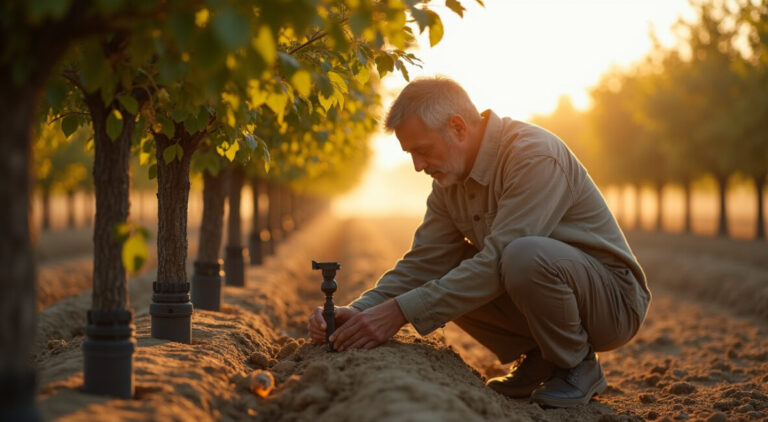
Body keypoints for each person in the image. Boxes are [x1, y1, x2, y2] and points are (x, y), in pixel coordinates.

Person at [307, 76, 650, 408]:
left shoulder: (533, 157)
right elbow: (424, 263)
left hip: (612, 304)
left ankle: (576, 364)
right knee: (451, 270)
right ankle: (541, 358)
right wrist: (358, 311)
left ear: (458, 128)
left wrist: (398, 313)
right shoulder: (447, 182)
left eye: (422, 150)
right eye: (410, 154)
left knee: (521, 255)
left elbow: (499, 259)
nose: (417, 166)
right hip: (550, 288)